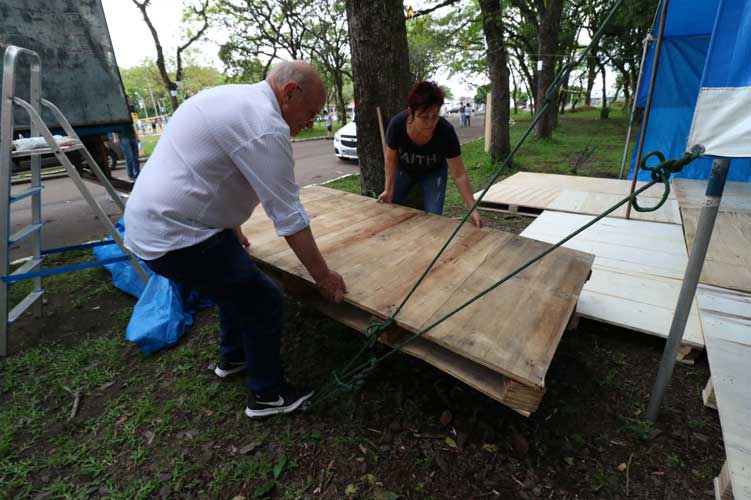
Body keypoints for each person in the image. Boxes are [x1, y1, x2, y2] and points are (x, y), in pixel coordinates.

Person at [124, 61, 347, 418]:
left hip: (156, 223)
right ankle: (267, 396)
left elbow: (208, 169)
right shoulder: (265, 126)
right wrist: (323, 276)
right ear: (290, 93)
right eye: (311, 113)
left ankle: (233, 358)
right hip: (176, 235)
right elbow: (288, 216)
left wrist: (231, 224)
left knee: (234, 284)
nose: (310, 123)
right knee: (264, 300)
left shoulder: (229, 98)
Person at [377, 81, 483, 228]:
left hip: (434, 173)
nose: (430, 123)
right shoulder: (397, 125)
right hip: (404, 170)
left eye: (435, 116)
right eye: (424, 116)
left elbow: (459, 174)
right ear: (411, 113)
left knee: (434, 216)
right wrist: (388, 189)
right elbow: (390, 159)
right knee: (390, 208)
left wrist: (472, 208)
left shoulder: (446, 131)